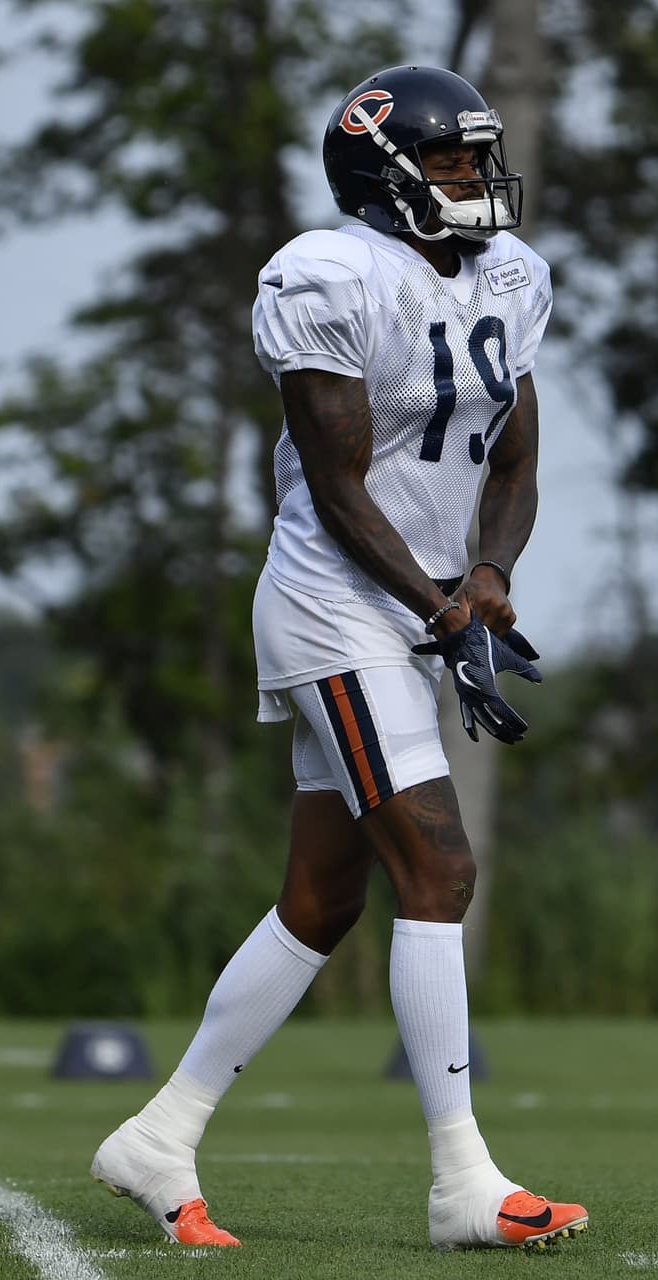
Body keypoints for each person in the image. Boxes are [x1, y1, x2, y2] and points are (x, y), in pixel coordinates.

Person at [88, 64, 587, 1252]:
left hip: (416, 608)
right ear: (387, 172)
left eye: (478, 157)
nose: (477, 177)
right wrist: (441, 611)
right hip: (334, 607)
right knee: (440, 868)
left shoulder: (511, 276)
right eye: (453, 160)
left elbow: (515, 458)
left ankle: (158, 1134)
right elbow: (337, 486)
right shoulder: (328, 273)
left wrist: (489, 574)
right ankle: (463, 1181)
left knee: (323, 899)